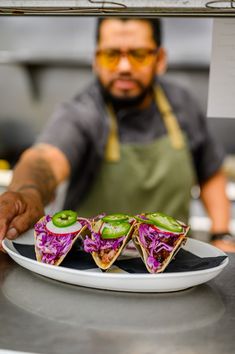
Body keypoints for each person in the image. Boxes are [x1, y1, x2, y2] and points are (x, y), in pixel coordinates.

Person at [0, 18, 234, 253]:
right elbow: (46, 159)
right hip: (94, 272)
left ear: (160, 59)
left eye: (138, 54)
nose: (124, 67)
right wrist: (27, 192)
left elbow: (210, 172)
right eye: (111, 55)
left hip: (173, 268)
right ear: (96, 60)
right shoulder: (83, 112)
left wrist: (221, 233)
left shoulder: (182, 104)